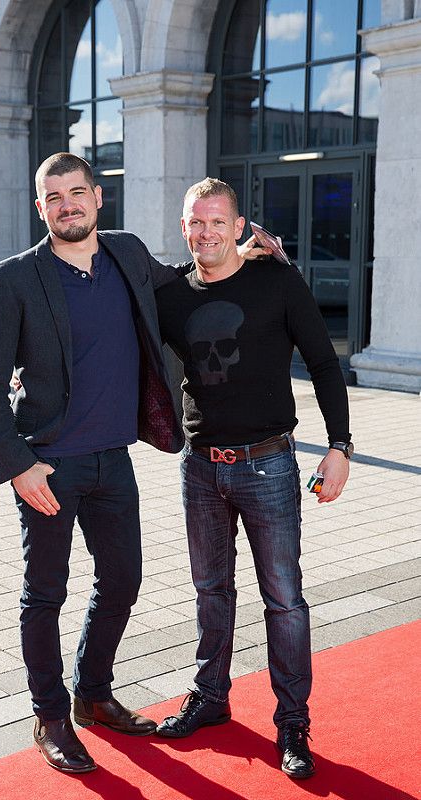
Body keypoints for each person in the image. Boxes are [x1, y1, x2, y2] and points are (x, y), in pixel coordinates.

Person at [0, 154, 263, 774]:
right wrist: (18, 465)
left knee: (122, 582)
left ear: (98, 198)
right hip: (47, 465)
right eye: (54, 197)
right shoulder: (15, 278)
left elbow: (183, 285)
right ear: (40, 207)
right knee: (43, 594)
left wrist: (240, 257)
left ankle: (92, 694)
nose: (68, 205)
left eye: (78, 193)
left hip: (113, 460)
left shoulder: (126, 254)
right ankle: (49, 713)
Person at [154, 178, 352, 780]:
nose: (206, 233)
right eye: (195, 223)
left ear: (240, 227)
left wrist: (340, 446)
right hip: (199, 467)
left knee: (284, 599)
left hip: (269, 464)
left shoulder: (277, 281)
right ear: (184, 227)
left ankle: (293, 722)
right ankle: (210, 696)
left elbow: (322, 361)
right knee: (210, 590)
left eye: (217, 222)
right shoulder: (171, 296)